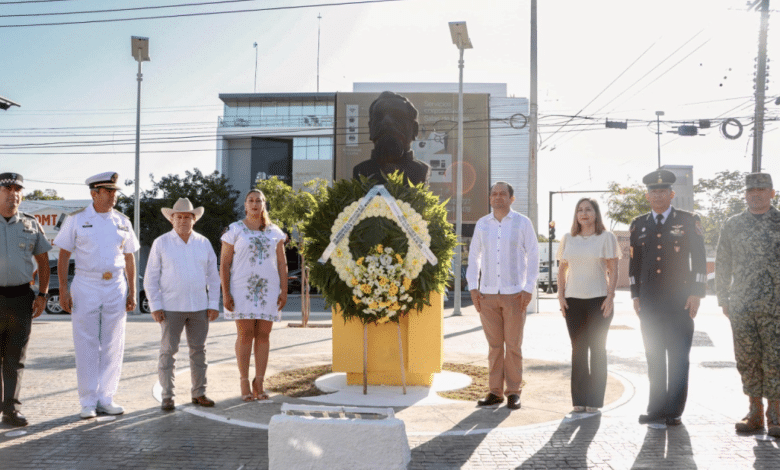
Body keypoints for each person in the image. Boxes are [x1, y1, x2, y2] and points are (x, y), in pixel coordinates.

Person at [54, 171, 139, 419]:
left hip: (115, 284)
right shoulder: (77, 219)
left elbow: (129, 256)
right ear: (94, 193)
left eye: (115, 192)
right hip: (86, 283)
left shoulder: (122, 221)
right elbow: (63, 254)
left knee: (114, 343)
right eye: (109, 191)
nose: (114, 196)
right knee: (87, 343)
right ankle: (88, 400)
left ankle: (107, 398)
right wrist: (63, 289)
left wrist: (132, 291)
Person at [629, 169, 706, 426]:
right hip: (649, 301)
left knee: (678, 356)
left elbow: (699, 259)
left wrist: (696, 293)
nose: (658, 195)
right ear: (647, 196)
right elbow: (634, 263)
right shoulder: (638, 224)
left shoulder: (687, 220)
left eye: (663, 191)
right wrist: (635, 295)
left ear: (672, 194)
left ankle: (674, 410)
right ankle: (655, 407)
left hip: (680, 300)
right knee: (653, 356)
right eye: (653, 192)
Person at [716, 172, 780, 436]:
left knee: (775, 359)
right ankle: (754, 413)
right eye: (751, 190)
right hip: (741, 304)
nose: (755, 194)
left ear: (772, 193)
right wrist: (723, 298)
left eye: (762, 189)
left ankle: (775, 414)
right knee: (747, 359)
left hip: (776, 306)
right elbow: (722, 262)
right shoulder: (733, 224)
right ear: (745, 194)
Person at [466, 181, 538, 410]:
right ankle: (495, 392)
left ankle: (514, 392)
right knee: (494, 346)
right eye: (494, 194)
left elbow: (534, 255)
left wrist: (528, 288)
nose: (497, 197)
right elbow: (474, 257)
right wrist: (473, 287)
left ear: (511, 198)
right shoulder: (482, 224)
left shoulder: (522, 223)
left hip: (515, 295)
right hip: (487, 294)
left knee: (513, 345)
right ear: (490, 198)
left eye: (502, 194)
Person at [144, 198, 220, 412]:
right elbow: (151, 277)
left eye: (188, 217)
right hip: (170, 306)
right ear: (172, 219)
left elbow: (213, 277)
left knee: (199, 351)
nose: (183, 220)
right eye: (179, 217)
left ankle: (199, 393)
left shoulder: (204, 243)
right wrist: (155, 305)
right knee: (168, 352)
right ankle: (167, 396)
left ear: (194, 219)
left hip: (199, 307)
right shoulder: (161, 243)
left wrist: (213, 304)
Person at [220, 189, 288, 402]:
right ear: (245, 205)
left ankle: (259, 382)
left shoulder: (274, 231)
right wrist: (226, 292)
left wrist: (284, 290)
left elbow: (281, 262)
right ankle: (243, 381)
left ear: (264, 204)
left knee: (264, 335)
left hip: (269, 289)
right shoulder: (235, 230)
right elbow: (224, 263)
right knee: (245, 334)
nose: (255, 203)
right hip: (241, 288)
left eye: (259, 200)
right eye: (251, 200)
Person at [557, 198, 620, 414]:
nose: (584, 213)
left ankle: (594, 402)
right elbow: (562, 269)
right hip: (573, 301)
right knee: (578, 350)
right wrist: (561, 296)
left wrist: (610, 297)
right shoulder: (567, 239)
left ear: (596, 214)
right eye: (580, 210)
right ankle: (579, 400)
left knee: (597, 350)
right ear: (576, 215)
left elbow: (613, 268)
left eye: (588, 210)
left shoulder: (606, 237)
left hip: (599, 301)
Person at [0, 173, 51, 427]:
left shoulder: (31, 224)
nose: (13, 194)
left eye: (18, 189)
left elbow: (43, 261)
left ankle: (10, 409)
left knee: (14, 358)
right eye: (7, 189)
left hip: (21, 297)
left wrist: (42, 294)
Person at [352, 91, 431, 185]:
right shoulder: (360, 170)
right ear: (370, 128)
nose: (386, 121)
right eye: (379, 117)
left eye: (398, 116)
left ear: (415, 129)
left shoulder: (421, 170)